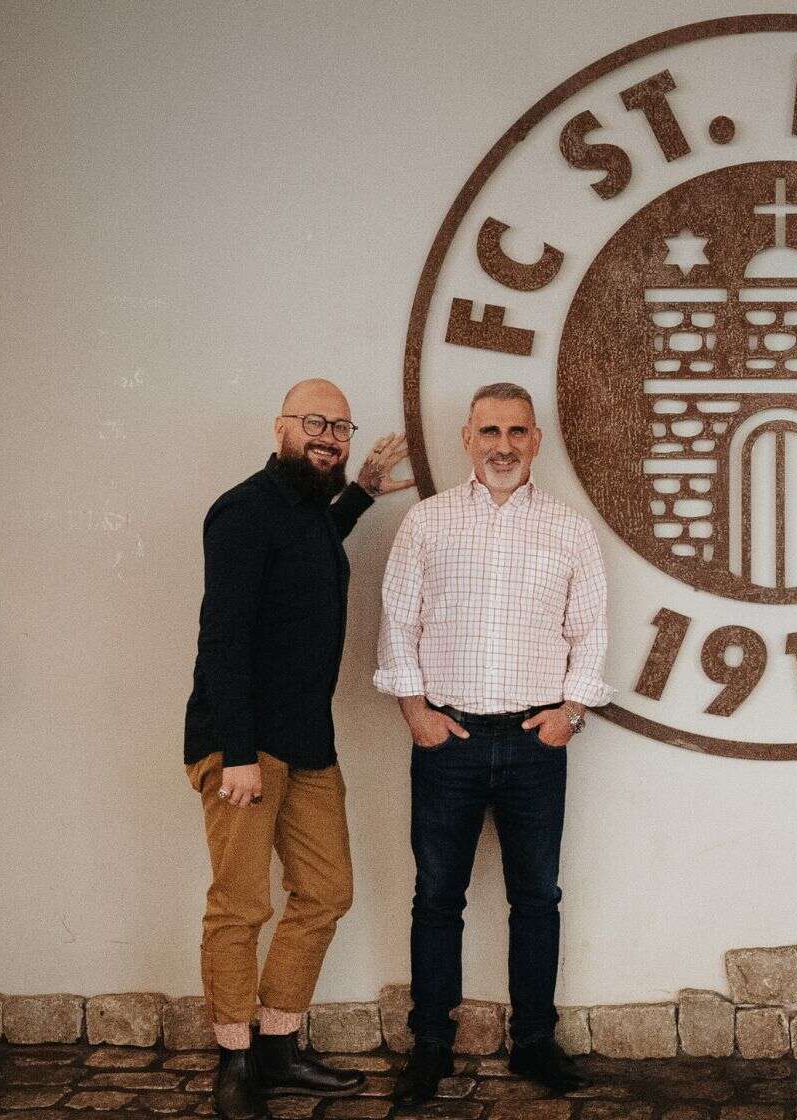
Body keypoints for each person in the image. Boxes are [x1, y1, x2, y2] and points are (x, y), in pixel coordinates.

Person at [375, 382, 611, 1105]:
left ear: (536, 440)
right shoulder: (426, 523)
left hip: (537, 743)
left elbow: (591, 628)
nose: (502, 445)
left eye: (516, 431)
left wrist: (572, 710)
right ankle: (432, 1045)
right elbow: (398, 622)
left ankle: (535, 1041)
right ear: (467, 440)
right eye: (488, 432)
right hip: (448, 740)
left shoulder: (569, 528)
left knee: (537, 898)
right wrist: (415, 711)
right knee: (437, 898)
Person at [183, 379, 412, 1118]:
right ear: (279, 426)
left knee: (325, 893)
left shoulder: (310, 510)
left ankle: (279, 1045)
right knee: (240, 905)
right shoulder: (243, 511)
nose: (330, 438)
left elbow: (310, 552)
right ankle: (235, 1061)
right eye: (316, 423)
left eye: (341, 428)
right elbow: (221, 637)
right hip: (243, 744)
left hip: (308, 743)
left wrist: (364, 493)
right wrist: (239, 754)